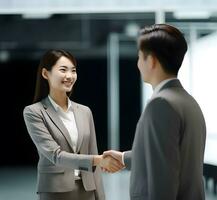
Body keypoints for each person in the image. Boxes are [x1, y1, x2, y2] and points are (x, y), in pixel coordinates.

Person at [103, 24, 206, 200]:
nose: (138, 64)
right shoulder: (188, 101)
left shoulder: (160, 104)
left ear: (151, 61)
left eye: (139, 57)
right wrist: (122, 158)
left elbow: (163, 181)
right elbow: (168, 156)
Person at [23, 49, 124, 200]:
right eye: (63, 70)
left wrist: (101, 197)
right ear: (45, 74)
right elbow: (56, 156)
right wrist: (100, 160)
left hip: (87, 190)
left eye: (73, 71)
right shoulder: (34, 112)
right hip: (55, 191)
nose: (69, 76)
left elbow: (93, 156)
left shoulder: (85, 111)